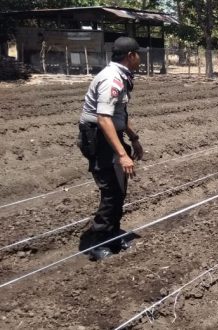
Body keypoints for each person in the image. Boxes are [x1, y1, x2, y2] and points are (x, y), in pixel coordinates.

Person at [77, 37, 144, 261]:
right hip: (99, 138)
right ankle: (98, 241)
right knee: (111, 190)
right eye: (138, 54)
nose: (140, 58)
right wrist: (123, 155)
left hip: (110, 136)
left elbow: (118, 115)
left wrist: (133, 137)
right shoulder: (111, 79)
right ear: (131, 56)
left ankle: (113, 233)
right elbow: (104, 118)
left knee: (119, 187)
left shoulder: (120, 76)